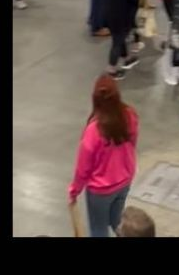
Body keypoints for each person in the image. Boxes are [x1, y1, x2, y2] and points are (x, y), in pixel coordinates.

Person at [68, 75, 139, 238]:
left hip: (100, 191)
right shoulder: (130, 115)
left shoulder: (93, 131)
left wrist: (74, 191)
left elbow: (83, 168)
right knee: (117, 222)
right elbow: (133, 144)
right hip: (124, 181)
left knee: (98, 229)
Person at [103, 0, 141, 77]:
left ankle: (126, 58)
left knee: (119, 38)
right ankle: (111, 69)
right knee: (117, 42)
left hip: (109, 13)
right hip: (121, 15)